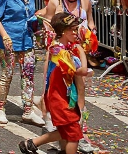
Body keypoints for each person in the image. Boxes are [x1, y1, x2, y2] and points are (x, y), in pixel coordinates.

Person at [18, 13, 88, 154]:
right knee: (73, 134)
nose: (76, 33)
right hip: (60, 99)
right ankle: (34, 143)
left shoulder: (59, 47)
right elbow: (81, 71)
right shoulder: (59, 51)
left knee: (66, 130)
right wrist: (82, 52)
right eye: (73, 30)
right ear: (63, 31)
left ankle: (31, 144)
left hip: (61, 97)